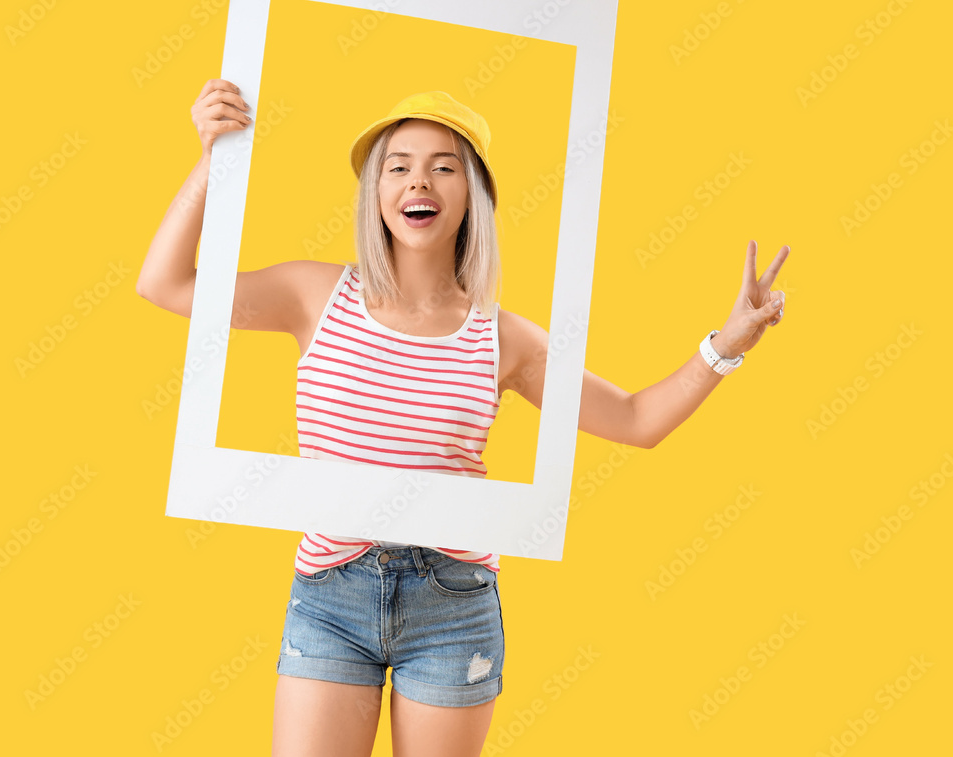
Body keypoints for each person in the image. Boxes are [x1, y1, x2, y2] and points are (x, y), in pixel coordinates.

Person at [136, 78, 790, 757]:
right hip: (331, 590)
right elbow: (165, 283)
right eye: (400, 165)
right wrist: (213, 160)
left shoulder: (501, 338)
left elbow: (633, 418)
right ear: (377, 192)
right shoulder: (312, 295)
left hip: (450, 599)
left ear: (471, 195)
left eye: (443, 166)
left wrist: (726, 345)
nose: (420, 181)